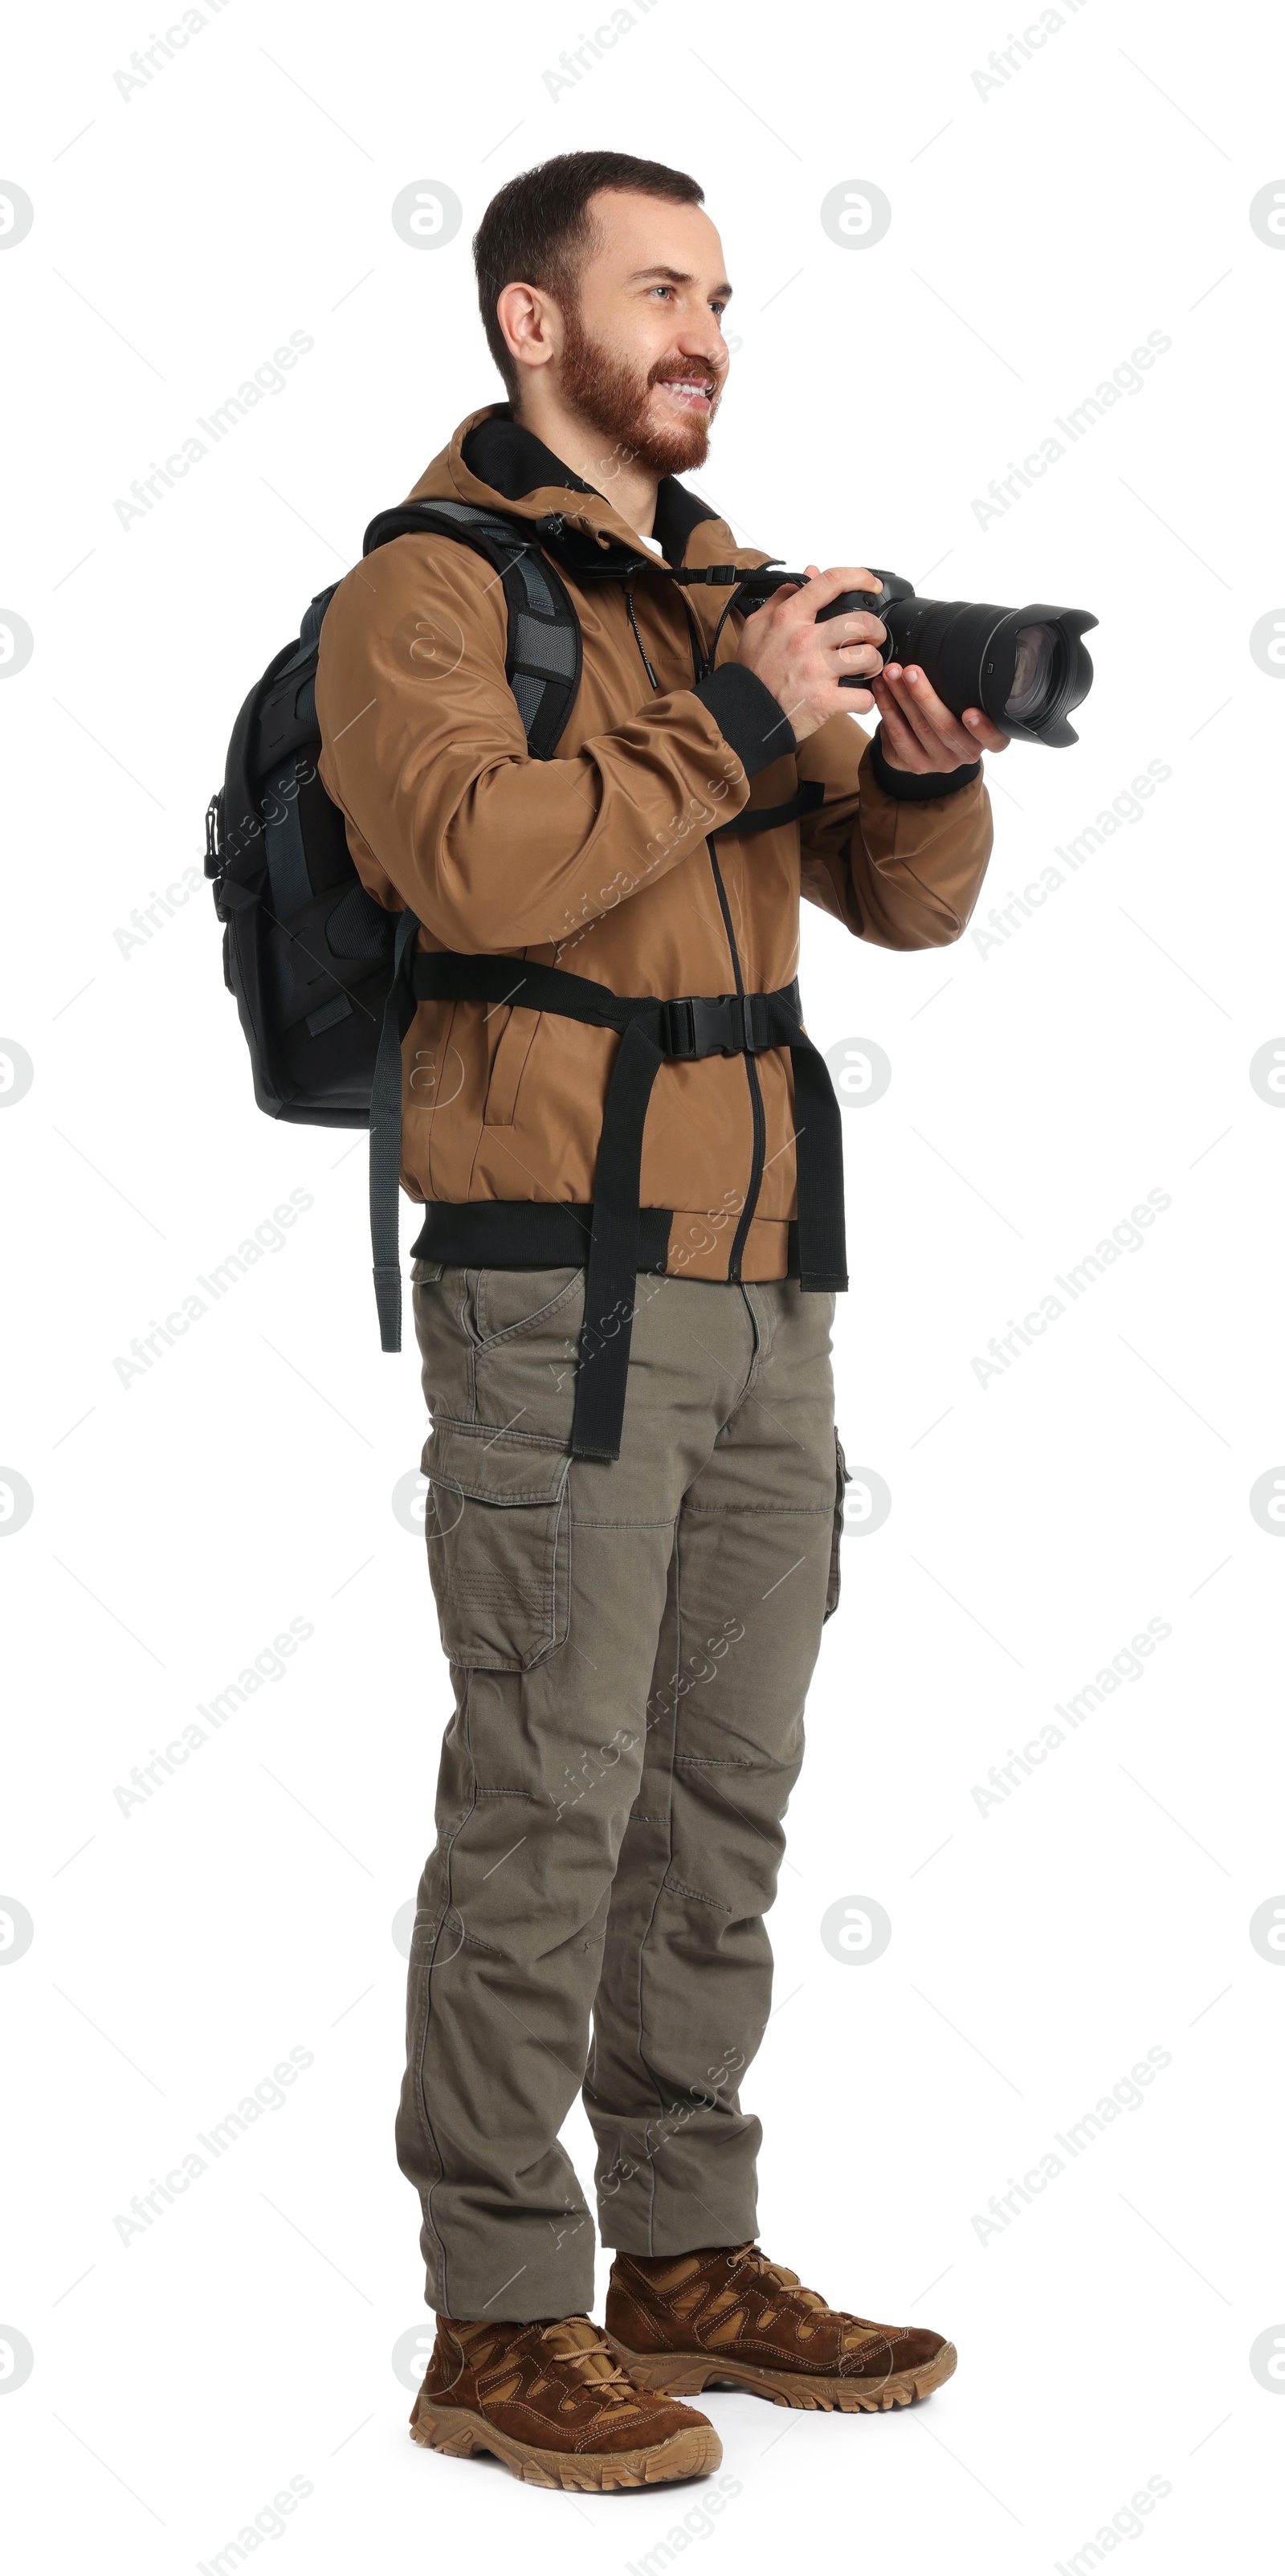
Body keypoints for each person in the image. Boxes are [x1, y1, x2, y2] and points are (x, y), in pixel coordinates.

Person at [316, 147, 1006, 2494]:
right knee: (548, 1804)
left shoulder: (723, 584)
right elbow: (476, 860)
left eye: (719, 293)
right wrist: (729, 708)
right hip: (556, 1297)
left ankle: (685, 2253)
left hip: (764, 1292)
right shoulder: (424, 595)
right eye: (658, 290)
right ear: (532, 324)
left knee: (721, 1801)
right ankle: (500, 2307)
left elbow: (890, 907)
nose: (704, 328)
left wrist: (918, 772)